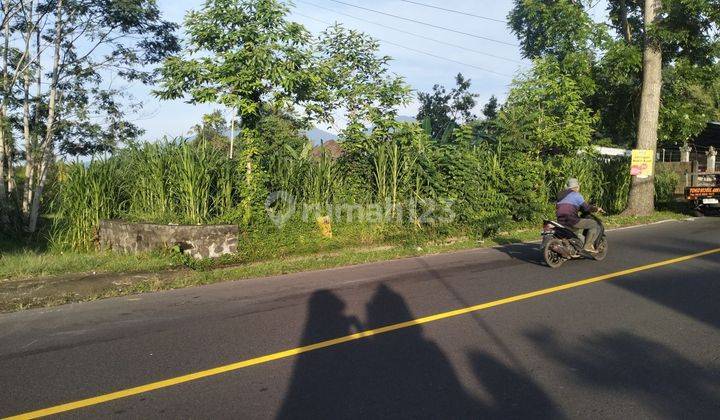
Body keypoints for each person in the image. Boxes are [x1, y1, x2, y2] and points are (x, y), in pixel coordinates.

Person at [556, 178, 603, 252]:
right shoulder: (577, 195)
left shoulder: (561, 196)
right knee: (594, 224)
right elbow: (587, 208)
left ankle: (572, 245)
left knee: (575, 232)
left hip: (560, 220)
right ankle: (588, 246)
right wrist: (597, 209)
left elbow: (568, 206)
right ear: (577, 187)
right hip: (571, 220)